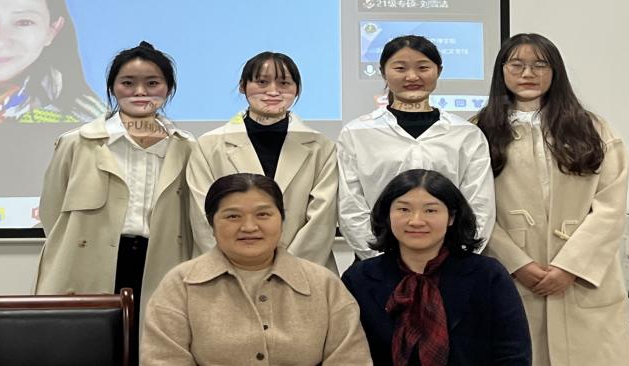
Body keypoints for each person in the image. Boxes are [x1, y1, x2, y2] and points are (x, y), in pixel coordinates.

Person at [472, 34, 629, 366]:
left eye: (539, 65)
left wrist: (570, 266)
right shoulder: (478, 131)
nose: (528, 73)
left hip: (583, 279)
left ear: (555, 71)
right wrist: (517, 263)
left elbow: (610, 207)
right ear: (502, 70)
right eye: (517, 64)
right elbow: (472, 208)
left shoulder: (593, 128)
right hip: (512, 275)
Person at [33, 41, 195, 351]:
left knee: (151, 349)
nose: (140, 92)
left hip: (158, 261)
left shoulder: (186, 147)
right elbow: (52, 210)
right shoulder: (77, 142)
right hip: (88, 262)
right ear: (112, 88)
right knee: (88, 349)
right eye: (128, 83)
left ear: (168, 88)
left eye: (152, 83)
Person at [141, 173, 373, 366]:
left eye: (263, 214)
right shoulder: (180, 284)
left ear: (281, 219)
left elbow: (351, 359)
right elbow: (162, 359)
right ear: (211, 223)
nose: (249, 227)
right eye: (233, 216)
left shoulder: (324, 284)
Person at [341, 169, 531, 366]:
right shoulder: (359, 279)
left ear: (451, 217)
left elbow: (513, 355)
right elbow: (347, 355)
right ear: (387, 215)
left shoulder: (488, 275)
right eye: (404, 209)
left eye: (430, 210)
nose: (416, 221)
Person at [337, 35, 494, 259]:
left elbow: (480, 204)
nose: (412, 76)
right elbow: (350, 205)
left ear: (438, 71)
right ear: (383, 72)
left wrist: (458, 258)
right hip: (376, 261)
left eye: (423, 67)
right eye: (400, 68)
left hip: (451, 263)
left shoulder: (466, 134)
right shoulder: (356, 133)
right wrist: (379, 260)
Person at [187, 51, 339, 270]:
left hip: (305, 270)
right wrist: (239, 268)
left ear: (297, 89)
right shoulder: (209, 145)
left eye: (284, 83)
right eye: (262, 82)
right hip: (226, 272)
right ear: (243, 86)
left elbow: (321, 221)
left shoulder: (321, 146)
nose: (273, 91)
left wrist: (287, 270)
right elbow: (203, 218)